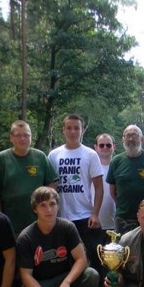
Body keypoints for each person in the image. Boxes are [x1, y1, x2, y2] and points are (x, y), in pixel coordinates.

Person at [16, 187, 99, 287]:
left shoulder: (67, 227)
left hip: (63, 279)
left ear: (58, 205)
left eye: (52, 204)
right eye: (43, 205)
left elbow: (82, 259)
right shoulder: (26, 237)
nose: (49, 209)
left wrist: (67, 282)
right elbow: (26, 277)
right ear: (35, 209)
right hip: (40, 284)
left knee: (91, 275)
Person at [48, 114, 104, 275]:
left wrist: (95, 213)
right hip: (61, 216)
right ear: (63, 130)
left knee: (92, 255)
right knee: (63, 257)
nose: (73, 132)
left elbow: (99, 187)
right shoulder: (54, 155)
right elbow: (51, 187)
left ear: (83, 130)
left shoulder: (90, 154)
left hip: (84, 216)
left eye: (76, 128)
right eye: (69, 128)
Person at [0, 120, 58, 236]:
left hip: (39, 222)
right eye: (18, 135)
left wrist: (47, 208)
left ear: (31, 137)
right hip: (11, 223)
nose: (23, 139)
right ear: (11, 137)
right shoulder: (2, 158)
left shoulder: (40, 157)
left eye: (26, 135)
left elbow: (52, 184)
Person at [107, 125, 144, 234]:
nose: (130, 139)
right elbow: (112, 191)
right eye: (127, 136)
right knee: (124, 250)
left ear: (142, 139)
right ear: (123, 139)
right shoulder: (116, 161)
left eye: (134, 135)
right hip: (124, 218)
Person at [93, 133, 117, 236]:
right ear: (96, 148)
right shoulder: (90, 168)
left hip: (117, 223)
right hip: (94, 222)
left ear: (114, 147)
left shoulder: (119, 167)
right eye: (101, 145)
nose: (105, 148)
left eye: (108, 145)